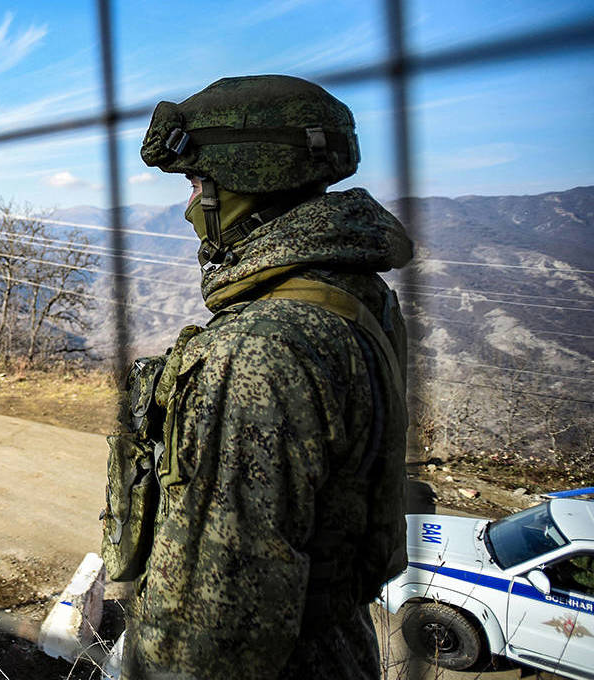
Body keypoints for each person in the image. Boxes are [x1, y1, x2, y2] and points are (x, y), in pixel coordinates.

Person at [107, 75, 411, 680]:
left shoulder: (256, 350)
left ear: (247, 183)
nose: (190, 205)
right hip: (337, 650)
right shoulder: (354, 297)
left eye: (197, 183)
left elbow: (213, 634)